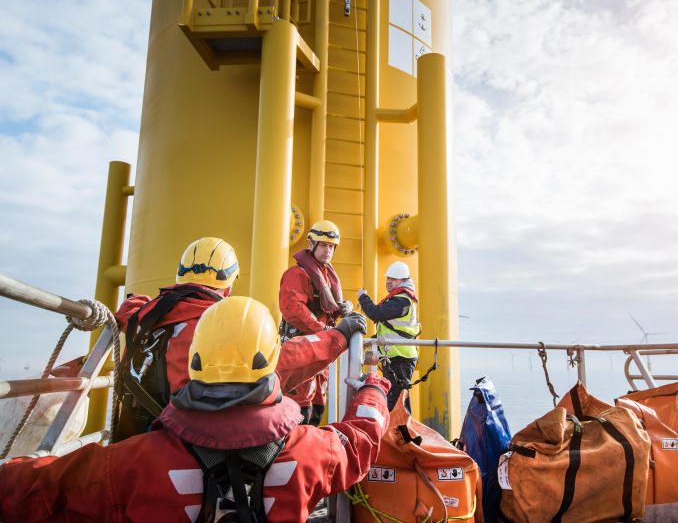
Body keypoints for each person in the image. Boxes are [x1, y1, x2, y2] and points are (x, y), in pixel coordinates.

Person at [0, 296, 388, 522]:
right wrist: (373, 387)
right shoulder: (311, 452)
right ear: (271, 360)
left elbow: (36, 488)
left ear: (196, 359)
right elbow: (362, 438)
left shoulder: (132, 464)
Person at [112, 236, 239, 441]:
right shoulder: (222, 326)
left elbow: (129, 311)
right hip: (182, 443)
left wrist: (139, 300)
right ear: (228, 287)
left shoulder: (148, 314)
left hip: (133, 434)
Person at [279, 219, 351, 426]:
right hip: (300, 351)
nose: (328, 250)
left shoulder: (325, 276)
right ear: (312, 245)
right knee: (299, 408)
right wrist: (325, 331)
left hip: (319, 352)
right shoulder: (297, 274)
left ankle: (308, 454)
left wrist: (344, 308)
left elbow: (325, 308)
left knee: (317, 405)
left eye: (331, 246)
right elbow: (293, 309)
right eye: (323, 245)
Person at [357, 261, 421, 412]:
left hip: (400, 357)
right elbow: (390, 328)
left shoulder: (401, 301)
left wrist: (363, 298)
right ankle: (403, 433)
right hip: (395, 356)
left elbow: (376, 313)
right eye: (388, 278)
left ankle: (401, 434)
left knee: (396, 402)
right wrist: (372, 340)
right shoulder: (399, 299)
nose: (389, 282)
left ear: (403, 281)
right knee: (398, 400)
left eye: (393, 279)